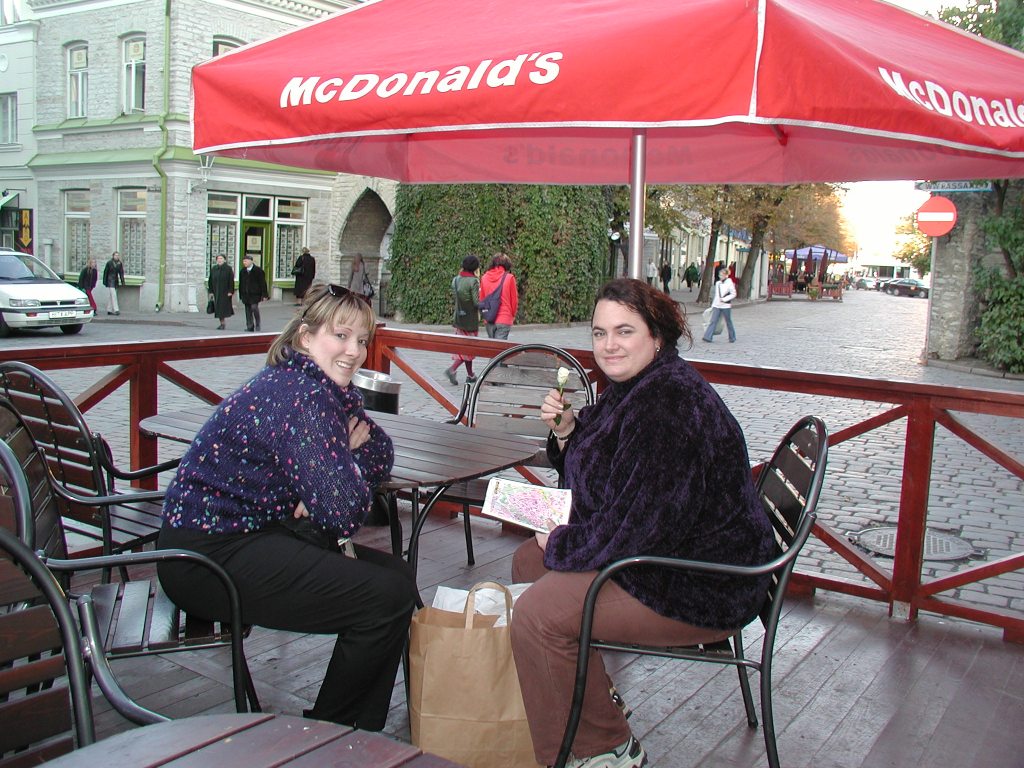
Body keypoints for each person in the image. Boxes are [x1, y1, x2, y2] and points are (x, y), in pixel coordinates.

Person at [509, 278, 775, 768]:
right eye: (599, 332)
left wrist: (562, 543)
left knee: (537, 616)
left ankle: (606, 751)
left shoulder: (669, 404)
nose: (609, 345)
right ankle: (593, 707)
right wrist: (568, 432)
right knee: (528, 562)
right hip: (672, 553)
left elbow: (638, 525)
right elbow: (605, 479)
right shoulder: (638, 386)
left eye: (624, 331)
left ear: (657, 336)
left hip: (701, 581)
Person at [156, 283, 418, 731]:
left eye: (361, 340)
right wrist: (335, 473)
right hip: (206, 560)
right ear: (305, 336)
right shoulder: (304, 397)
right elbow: (344, 514)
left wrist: (337, 467)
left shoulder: (315, 386)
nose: (353, 351)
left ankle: (351, 724)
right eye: (341, 335)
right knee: (387, 598)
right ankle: (333, 733)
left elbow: (381, 448)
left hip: (247, 536)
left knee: (397, 577)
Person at [443, 254, 481, 386]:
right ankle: (453, 369)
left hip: (459, 317)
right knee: (469, 348)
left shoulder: (456, 280)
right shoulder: (474, 281)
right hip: (470, 319)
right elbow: (476, 302)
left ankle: (471, 375)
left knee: (464, 346)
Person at [479, 252, 518, 340]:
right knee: (500, 350)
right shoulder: (509, 278)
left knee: (493, 348)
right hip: (504, 318)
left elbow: (482, 300)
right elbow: (514, 301)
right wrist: (512, 315)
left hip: (489, 318)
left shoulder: (484, 278)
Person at [702, 265, 737, 343]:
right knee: (713, 321)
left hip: (726, 306)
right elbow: (717, 296)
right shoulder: (718, 283)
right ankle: (708, 337)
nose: (720, 276)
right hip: (717, 305)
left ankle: (732, 337)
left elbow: (733, 294)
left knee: (728, 321)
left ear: (725, 275)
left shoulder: (729, 283)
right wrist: (713, 305)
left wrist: (724, 299)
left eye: (721, 275)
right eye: (719, 275)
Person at [238, 255, 268, 332]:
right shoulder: (242, 271)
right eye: (244, 261)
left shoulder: (258, 271)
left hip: (255, 293)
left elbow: (262, 283)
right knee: (247, 310)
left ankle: (257, 323)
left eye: (246, 261)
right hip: (245, 294)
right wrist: (241, 294)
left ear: (251, 261)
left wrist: (264, 294)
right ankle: (250, 326)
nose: (245, 263)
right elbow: (241, 283)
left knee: (254, 307)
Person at [208, 254, 235, 331]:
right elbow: (210, 280)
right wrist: (211, 291)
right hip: (216, 291)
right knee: (218, 308)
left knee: (222, 308)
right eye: (218, 258)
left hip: (225, 292)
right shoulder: (214, 269)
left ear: (224, 260)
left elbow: (231, 281)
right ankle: (222, 323)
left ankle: (222, 323)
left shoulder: (228, 269)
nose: (219, 260)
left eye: (221, 258)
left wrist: (230, 291)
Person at [102, 251, 125, 316]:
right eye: (115, 255)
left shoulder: (119, 263)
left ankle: (109, 309)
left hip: (115, 280)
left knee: (111, 296)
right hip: (110, 280)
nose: (117, 257)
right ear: (113, 256)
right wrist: (105, 281)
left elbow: (121, 273)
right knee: (114, 295)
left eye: (118, 255)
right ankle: (116, 309)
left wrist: (122, 281)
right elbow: (105, 272)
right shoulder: (109, 263)